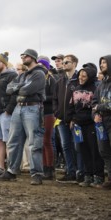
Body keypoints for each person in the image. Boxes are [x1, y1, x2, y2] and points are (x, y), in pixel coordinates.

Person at [0, 49, 46, 185]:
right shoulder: (23, 75)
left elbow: (27, 90)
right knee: (13, 140)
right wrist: (20, 86)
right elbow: (8, 89)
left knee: (34, 142)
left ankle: (36, 173)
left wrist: (17, 88)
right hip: (18, 107)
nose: (23, 57)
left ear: (32, 57)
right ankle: (12, 171)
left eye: (25, 56)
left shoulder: (39, 74)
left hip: (33, 108)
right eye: (22, 56)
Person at [68, 63, 105, 187]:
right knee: (83, 150)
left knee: (94, 149)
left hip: (91, 124)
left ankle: (98, 176)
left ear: (90, 76)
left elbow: (96, 106)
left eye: (84, 76)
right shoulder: (76, 89)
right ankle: (87, 175)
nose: (81, 78)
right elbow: (71, 106)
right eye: (80, 76)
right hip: (78, 124)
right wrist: (72, 119)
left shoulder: (95, 88)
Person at [53, 54, 84, 183]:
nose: (64, 64)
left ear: (75, 63)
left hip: (75, 120)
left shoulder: (79, 80)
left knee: (77, 146)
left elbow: (81, 101)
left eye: (67, 62)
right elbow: (55, 99)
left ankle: (80, 173)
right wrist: (57, 112)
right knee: (66, 146)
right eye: (63, 62)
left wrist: (75, 118)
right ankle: (70, 172)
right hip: (61, 120)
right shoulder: (60, 81)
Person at [92, 54, 111, 189]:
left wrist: (99, 107)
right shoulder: (101, 84)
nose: (102, 65)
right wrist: (95, 114)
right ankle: (110, 179)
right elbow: (94, 102)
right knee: (104, 150)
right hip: (101, 122)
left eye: (104, 62)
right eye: (101, 62)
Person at [37, 56, 56, 180]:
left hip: (49, 112)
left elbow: (54, 96)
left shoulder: (51, 80)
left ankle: (50, 169)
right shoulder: (39, 79)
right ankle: (45, 167)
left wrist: (41, 97)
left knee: (47, 141)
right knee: (42, 142)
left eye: (43, 65)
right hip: (39, 112)